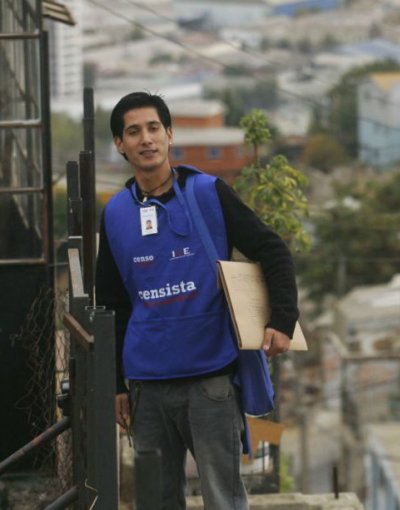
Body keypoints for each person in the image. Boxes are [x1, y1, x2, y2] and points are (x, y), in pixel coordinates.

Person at [96, 91, 298, 509]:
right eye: (133, 132)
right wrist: (116, 383)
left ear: (170, 135)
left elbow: (272, 249)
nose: (146, 139)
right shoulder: (115, 214)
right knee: (157, 501)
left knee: (223, 500)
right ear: (120, 144)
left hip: (211, 381)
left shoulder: (207, 193)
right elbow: (112, 301)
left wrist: (282, 318)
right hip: (147, 388)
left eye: (154, 128)